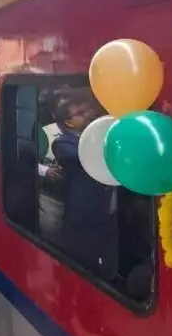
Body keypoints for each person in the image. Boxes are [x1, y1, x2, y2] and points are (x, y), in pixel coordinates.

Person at [51, 91, 120, 282]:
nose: (88, 114)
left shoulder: (98, 135)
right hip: (84, 218)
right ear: (68, 122)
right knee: (82, 268)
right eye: (80, 112)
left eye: (87, 109)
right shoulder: (63, 143)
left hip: (107, 214)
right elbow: (83, 157)